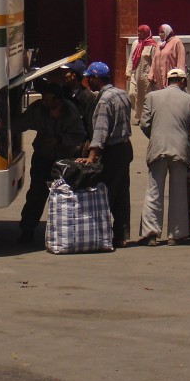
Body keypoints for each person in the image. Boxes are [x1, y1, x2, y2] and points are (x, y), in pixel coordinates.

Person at [139, 67, 190, 246]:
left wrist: (156, 136)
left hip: (157, 149)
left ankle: (151, 234)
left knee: (154, 191)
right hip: (180, 151)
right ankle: (176, 235)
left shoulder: (152, 97)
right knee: (178, 193)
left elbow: (145, 124)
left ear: (167, 81)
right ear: (183, 82)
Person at [12, 81, 87, 244]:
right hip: (42, 157)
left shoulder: (70, 112)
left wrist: (61, 140)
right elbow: (22, 123)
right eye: (43, 99)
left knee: (65, 196)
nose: (44, 102)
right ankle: (27, 230)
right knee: (36, 195)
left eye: (48, 99)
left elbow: (80, 135)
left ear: (58, 100)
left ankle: (66, 232)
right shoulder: (39, 109)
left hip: (64, 160)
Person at [77, 61, 134, 248]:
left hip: (112, 151)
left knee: (106, 194)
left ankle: (102, 235)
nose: (87, 82)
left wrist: (91, 157)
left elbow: (101, 131)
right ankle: (121, 235)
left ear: (95, 78)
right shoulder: (121, 94)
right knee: (122, 194)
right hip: (125, 148)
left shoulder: (104, 100)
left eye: (88, 78)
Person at [60, 59, 98, 150]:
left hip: (79, 147)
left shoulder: (88, 98)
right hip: (62, 144)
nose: (63, 75)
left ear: (73, 76)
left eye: (66, 72)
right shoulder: (62, 93)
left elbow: (90, 125)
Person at [128, 25, 158, 125]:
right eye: (138, 32)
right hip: (137, 75)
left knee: (146, 98)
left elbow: (155, 61)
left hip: (146, 76)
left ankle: (147, 118)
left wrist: (152, 74)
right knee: (134, 95)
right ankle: (139, 116)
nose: (138, 34)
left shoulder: (152, 45)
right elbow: (132, 58)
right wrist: (129, 71)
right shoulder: (137, 44)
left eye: (140, 32)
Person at [148, 23, 186, 90]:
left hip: (171, 76)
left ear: (168, 32)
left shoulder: (176, 42)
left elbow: (181, 59)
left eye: (162, 32)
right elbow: (154, 59)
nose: (160, 34)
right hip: (159, 76)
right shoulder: (159, 43)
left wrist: (180, 76)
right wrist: (151, 74)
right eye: (159, 32)